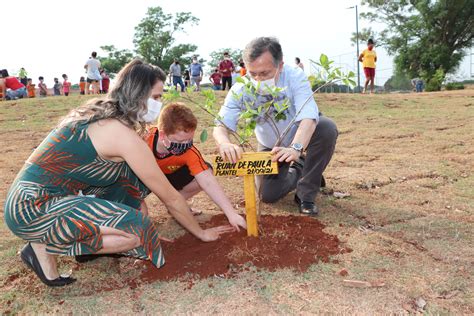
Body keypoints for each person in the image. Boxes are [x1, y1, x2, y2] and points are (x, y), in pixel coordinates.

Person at [4, 59, 235, 287]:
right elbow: (170, 197)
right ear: (138, 95)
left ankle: (48, 249)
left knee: (132, 186)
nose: (159, 103)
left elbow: (129, 187)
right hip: (33, 207)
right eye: (155, 97)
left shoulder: (100, 116)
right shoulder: (120, 133)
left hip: (35, 200)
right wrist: (201, 234)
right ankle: (42, 243)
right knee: (136, 235)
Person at [213, 37, 338, 216]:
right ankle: (302, 168)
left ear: (280, 65)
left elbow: (309, 118)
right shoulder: (241, 87)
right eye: (252, 73)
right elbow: (221, 123)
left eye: (264, 73)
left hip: (301, 136)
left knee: (326, 128)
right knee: (268, 195)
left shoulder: (295, 77)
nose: (257, 79)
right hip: (270, 145)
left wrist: (296, 148)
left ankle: (306, 193)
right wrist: (224, 142)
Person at [145, 103, 247, 229]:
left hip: (170, 175)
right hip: (144, 176)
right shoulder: (143, 140)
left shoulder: (189, 151)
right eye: (180, 141)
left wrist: (231, 214)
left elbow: (207, 181)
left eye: (189, 140)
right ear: (162, 135)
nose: (185, 145)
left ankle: (176, 204)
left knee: (206, 170)